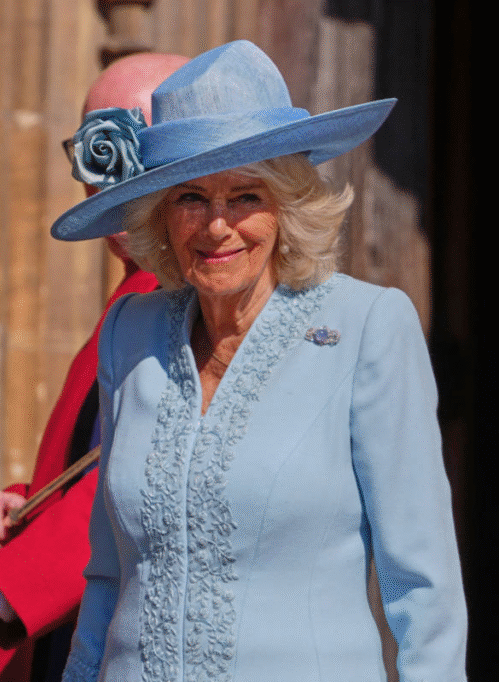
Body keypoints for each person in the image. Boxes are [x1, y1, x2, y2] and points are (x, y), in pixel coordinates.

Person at [49, 40, 467, 681]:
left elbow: (423, 582)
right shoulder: (129, 333)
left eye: (245, 196)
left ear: (287, 204)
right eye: (190, 197)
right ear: (160, 217)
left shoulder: (367, 327)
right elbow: (109, 575)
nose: (217, 226)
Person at [0, 53, 187, 682]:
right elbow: (103, 462)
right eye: (96, 153)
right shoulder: (136, 295)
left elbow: (153, 481)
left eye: (132, 151)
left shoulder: (197, 300)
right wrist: (23, 509)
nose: (107, 184)